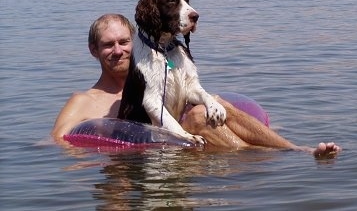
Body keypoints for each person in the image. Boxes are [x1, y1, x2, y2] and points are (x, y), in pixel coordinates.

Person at [52, 14, 341, 159]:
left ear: (135, 43)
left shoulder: (161, 77)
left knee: (210, 105)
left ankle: (295, 150)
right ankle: (275, 158)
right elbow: (56, 142)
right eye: (108, 45)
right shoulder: (84, 100)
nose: (118, 50)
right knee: (197, 116)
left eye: (124, 42)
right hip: (148, 166)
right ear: (93, 50)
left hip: (194, 151)